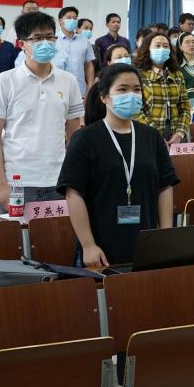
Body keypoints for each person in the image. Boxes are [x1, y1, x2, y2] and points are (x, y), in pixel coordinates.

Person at [59, 62, 176, 267]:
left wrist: (165, 236)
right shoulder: (85, 138)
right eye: (122, 89)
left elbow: (165, 186)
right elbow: (73, 193)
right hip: (101, 249)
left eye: (136, 89)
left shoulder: (152, 136)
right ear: (104, 97)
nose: (131, 95)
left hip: (146, 244)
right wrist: (88, 245)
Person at [0, 11, 83, 207]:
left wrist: (73, 178)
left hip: (58, 181)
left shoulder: (69, 81)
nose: (45, 43)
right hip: (18, 182)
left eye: (49, 37)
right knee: (16, 229)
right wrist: (2, 185)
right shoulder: (4, 81)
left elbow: (74, 133)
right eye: (37, 38)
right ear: (22, 44)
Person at [132, 32, 190, 145]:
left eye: (165, 46)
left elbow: (185, 107)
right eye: (157, 46)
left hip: (175, 135)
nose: (162, 49)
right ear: (147, 49)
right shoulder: (138, 75)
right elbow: (135, 111)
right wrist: (155, 134)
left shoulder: (177, 74)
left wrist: (180, 133)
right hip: (147, 133)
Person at [56, 5, 95, 96]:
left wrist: (90, 86)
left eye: (75, 18)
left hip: (80, 89)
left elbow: (89, 65)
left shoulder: (84, 40)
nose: (72, 20)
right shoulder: (53, 40)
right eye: (69, 18)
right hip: (57, 89)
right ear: (60, 21)